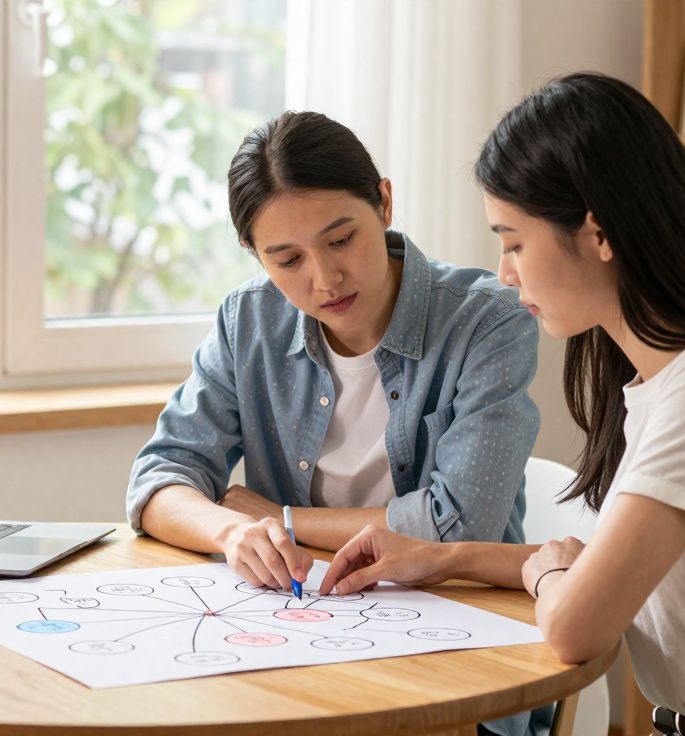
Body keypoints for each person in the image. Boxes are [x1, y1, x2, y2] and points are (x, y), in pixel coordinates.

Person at [320, 73, 685, 735]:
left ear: (598, 233)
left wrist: (551, 581)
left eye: (515, 242)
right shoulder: (660, 379)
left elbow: (577, 622)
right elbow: (592, 570)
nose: (505, 272)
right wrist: (442, 557)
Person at [127, 109, 543, 736]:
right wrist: (231, 534)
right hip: (301, 654)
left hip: (459, 668)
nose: (324, 279)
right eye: (286, 258)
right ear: (253, 253)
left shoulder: (487, 321)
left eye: (341, 238)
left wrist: (279, 519)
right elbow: (158, 480)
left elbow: (460, 523)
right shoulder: (249, 322)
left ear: (384, 202)